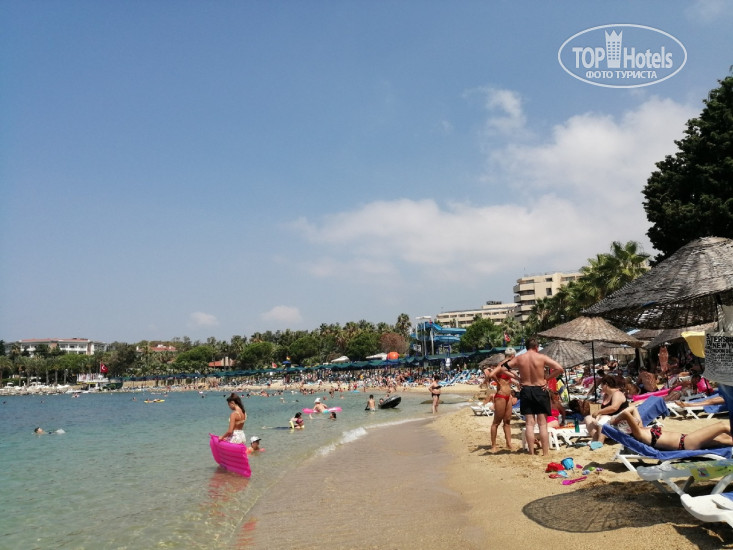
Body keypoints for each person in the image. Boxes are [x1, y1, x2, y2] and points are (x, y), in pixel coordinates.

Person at [506, 337, 564, 456]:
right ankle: (545, 452)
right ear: (536, 347)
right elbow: (559, 368)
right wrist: (547, 379)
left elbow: (503, 368)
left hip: (526, 389)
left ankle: (531, 452)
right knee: (542, 424)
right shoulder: (541, 357)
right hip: (540, 389)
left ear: (526, 347)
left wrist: (517, 379)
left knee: (529, 424)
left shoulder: (520, 358)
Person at [610, 407, 733, 450]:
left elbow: (633, 408)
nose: (635, 419)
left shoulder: (641, 429)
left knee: (723, 439)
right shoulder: (639, 435)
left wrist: (628, 419)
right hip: (686, 443)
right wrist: (615, 420)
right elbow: (626, 414)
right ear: (629, 428)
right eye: (632, 421)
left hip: (686, 439)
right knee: (722, 425)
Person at [486, 354, 519, 451]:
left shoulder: (507, 367)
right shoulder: (501, 365)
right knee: (496, 422)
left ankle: (509, 444)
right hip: (500, 395)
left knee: (507, 421)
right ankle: (493, 445)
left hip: (508, 396)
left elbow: (508, 379)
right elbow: (491, 375)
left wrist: (517, 383)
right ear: (511, 356)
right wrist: (497, 382)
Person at [584, 375, 629, 444]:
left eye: (601, 385)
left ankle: (600, 442)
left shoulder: (617, 394)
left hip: (619, 419)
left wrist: (598, 412)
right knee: (588, 418)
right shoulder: (606, 395)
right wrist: (598, 416)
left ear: (606, 385)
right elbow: (604, 410)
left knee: (603, 419)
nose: (601, 387)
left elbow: (614, 408)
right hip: (608, 418)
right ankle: (595, 439)